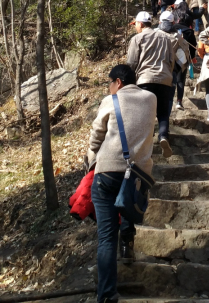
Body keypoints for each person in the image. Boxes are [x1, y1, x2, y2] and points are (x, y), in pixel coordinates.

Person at [87, 64, 157, 303]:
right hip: (137, 174)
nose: (109, 87)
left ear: (118, 82)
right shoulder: (151, 99)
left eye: (110, 83)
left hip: (108, 170)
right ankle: (127, 245)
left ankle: (107, 295)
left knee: (107, 238)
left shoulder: (111, 100)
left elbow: (97, 134)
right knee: (127, 202)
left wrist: (91, 156)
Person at [126, 10, 177, 157]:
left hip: (144, 79)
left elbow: (132, 62)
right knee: (163, 112)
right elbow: (171, 60)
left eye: (136, 24)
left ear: (141, 24)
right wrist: (168, 75)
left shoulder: (137, 38)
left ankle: (144, 144)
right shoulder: (165, 38)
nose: (135, 27)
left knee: (143, 113)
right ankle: (163, 136)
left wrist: (130, 81)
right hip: (164, 79)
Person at [158, 10, 191, 110]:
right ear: (173, 23)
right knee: (168, 99)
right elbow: (184, 55)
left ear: (159, 22)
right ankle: (177, 103)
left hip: (155, 70)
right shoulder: (178, 37)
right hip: (171, 71)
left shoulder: (153, 34)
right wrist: (177, 68)